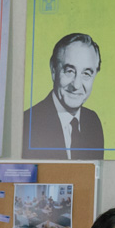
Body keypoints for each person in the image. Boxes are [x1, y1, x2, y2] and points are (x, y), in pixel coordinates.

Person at [22, 32, 105, 160]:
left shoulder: (93, 123)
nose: (76, 85)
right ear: (53, 70)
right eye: (69, 71)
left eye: (86, 74)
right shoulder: (26, 124)